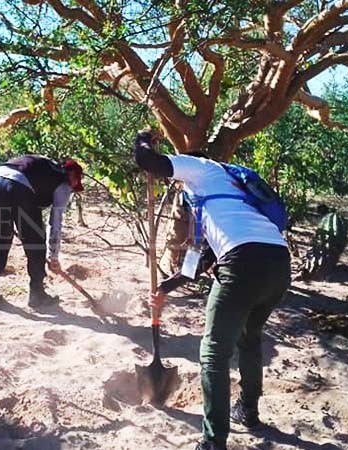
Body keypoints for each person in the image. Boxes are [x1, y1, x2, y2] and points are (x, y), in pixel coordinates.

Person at [133, 131, 291, 450]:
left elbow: (147, 161)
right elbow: (206, 256)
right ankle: (248, 410)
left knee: (214, 354)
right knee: (249, 338)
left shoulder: (201, 167)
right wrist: (166, 286)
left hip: (242, 263)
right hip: (278, 263)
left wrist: (144, 140)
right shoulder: (228, 191)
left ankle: (212, 441)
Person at [0, 155, 84, 308]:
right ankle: (37, 293)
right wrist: (53, 256)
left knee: (0, 238)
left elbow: (5, 172)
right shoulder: (63, 182)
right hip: (19, 187)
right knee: (35, 241)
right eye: (76, 182)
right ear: (72, 175)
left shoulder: (43, 165)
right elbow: (55, 222)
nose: (74, 187)